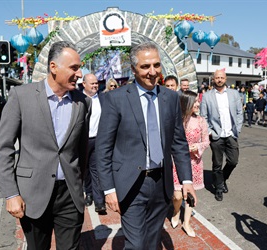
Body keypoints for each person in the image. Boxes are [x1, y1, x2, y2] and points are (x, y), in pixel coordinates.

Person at [96, 42, 197, 249]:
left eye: (156, 65)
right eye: (145, 67)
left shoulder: (170, 98)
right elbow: (103, 148)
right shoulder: (116, 99)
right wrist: (108, 189)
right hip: (130, 183)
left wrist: (186, 179)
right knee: (135, 244)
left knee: (152, 241)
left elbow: (178, 142)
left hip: (161, 183)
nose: (152, 72)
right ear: (133, 69)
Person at [0, 41, 91, 250]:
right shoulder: (21, 96)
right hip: (33, 194)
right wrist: (11, 194)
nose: (80, 73)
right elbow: (3, 148)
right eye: (74, 68)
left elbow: (82, 150)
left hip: (70, 195)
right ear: (54, 67)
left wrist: (79, 183)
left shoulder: (83, 102)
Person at [200, 69, 243, 201]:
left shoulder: (234, 94)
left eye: (222, 77)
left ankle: (223, 178)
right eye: (217, 77)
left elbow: (239, 113)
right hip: (216, 135)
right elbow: (203, 117)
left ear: (225, 78)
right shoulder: (207, 96)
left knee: (233, 161)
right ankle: (219, 188)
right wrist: (210, 132)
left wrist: (238, 129)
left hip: (231, 134)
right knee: (217, 163)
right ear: (213, 79)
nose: (219, 79)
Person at [171, 90, 210, 238]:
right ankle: (175, 211)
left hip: (194, 162)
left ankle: (186, 223)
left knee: (190, 196)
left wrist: (198, 146)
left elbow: (206, 141)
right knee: (177, 196)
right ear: (186, 103)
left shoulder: (201, 120)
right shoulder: (176, 121)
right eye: (195, 102)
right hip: (176, 162)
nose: (198, 104)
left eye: (198, 101)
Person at [82, 73, 106, 214]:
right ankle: (88, 193)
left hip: (98, 139)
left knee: (96, 170)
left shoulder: (103, 98)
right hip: (83, 140)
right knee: (85, 170)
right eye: (92, 83)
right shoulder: (78, 99)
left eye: (96, 83)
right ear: (84, 84)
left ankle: (99, 202)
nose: (95, 85)